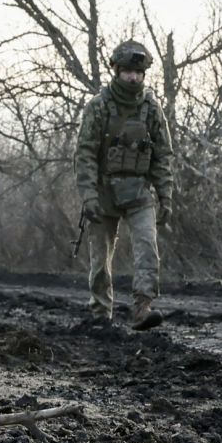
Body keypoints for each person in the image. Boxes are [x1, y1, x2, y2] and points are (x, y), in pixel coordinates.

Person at [74, 39, 176, 330]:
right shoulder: (99, 107)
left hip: (139, 191)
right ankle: (100, 313)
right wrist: (89, 195)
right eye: (127, 71)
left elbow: (162, 156)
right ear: (117, 71)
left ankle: (143, 306)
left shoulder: (151, 109)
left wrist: (166, 195)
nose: (133, 77)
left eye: (138, 72)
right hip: (104, 191)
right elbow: (85, 153)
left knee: (147, 247)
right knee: (100, 258)